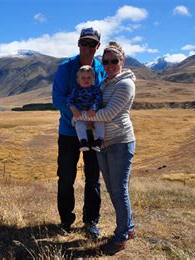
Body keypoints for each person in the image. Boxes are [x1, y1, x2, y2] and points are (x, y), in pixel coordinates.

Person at [77, 41, 136, 255]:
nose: (110, 64)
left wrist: (79, 118)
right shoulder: (105, 84)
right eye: (106, 60)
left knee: (119, 190)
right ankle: (128, 228)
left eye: (114, 60)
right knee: (113, 189)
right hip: (103, 143)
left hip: (120, 141)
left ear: (122, 61)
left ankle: (120, 237)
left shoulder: (125, 84)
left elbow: (108, 114)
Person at [52, 27, 107, 238]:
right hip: (68, 130)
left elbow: (102, 97)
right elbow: (58, 98)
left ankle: (91, 222)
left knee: (93, 177)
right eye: (84, 43)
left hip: (93, 132)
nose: (88, 47)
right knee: (66, 177)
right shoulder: (66, 68)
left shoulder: (101, 68)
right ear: (78, 44)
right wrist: (81, 117)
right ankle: (66, 220)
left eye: (92, 44)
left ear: (97, 46)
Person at [67, 65, 104, 152]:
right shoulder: (75, 90)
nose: (86, 79)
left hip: (94, 114)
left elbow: (98, 100)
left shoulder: (96, 89)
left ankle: (98, 141)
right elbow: (69, 101)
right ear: (78, 80)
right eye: (83, 78)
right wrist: (74, 109)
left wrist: (93, 108)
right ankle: (83, 141)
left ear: (94, 79)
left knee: (100, 123)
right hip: (80, 114)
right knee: (79, 124)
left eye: (89, 77)